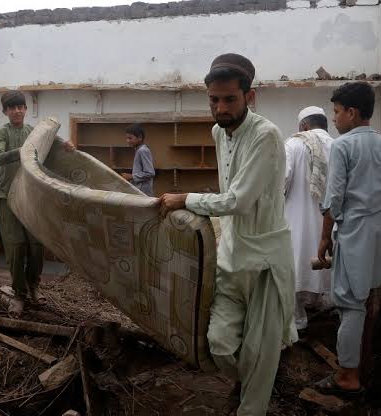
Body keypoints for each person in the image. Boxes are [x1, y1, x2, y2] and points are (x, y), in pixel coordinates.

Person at [159, 53, 295, 416]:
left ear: (249, 97)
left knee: (259, 355)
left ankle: (252, 406)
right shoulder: (218, 132)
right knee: (219, 344)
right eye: (214, 100)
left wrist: (185, 199)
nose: (220, 108)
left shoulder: (266, 134)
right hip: (232, 252)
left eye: (229, 99)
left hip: (265, 259)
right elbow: (228, 189)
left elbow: (238, 198)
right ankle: (248, 383)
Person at [315, 82, 381, 395]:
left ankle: (348, 377)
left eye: (337, 112)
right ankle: (362, 363)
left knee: (350, 305)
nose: (335, 119)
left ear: (352, 113)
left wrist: (325, 238)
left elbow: (334, 199)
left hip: (355, 234)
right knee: (367, 297)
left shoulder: (343, 146)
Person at [0, 91, 75, 318]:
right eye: (12, 108)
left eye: (21, 107)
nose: (17, 111)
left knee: (36, 246)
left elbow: (52, 145)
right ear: (5, 111)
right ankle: (18, 294)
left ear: (26, 109)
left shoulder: (33, 132)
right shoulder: (3, 132)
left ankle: (33, 286)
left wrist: (65, 146)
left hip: (32, 197)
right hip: (7, 197)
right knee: (16, 247)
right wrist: (24, 152)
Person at [284, 106, 334, 332]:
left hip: (297, 219)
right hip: (330, 221)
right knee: (329, 267)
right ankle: (327, 309)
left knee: (294, 265)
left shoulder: (293, 144)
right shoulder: (337, 145)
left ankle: (298, 320)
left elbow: (282, 181)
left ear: (304, 125)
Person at [120, 123, 155, 196]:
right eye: (126, 138)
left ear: (139, 138)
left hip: (143, 192)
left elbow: (150, 173)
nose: (127, 141)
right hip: (140, 191)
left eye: (130, 138)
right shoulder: (139, 150)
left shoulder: (142, 151)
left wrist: (131, 176)